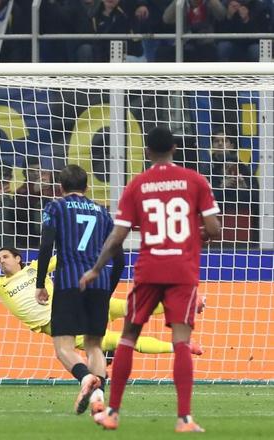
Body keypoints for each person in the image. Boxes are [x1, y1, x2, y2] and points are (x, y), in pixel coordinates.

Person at [80, 126, 221, 433]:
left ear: (147, 152)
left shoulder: (138, 185)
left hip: (149, 269)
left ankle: (113, 413)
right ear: (174, 148)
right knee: (181, 341)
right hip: (182, 270)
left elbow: (117, 237)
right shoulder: (196, 180)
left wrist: (96, 268)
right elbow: (214, 229)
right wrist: (192, 237)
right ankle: (184, 419)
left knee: (128, 336)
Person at [0, 226, 204, 356]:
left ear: (18, 258)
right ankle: (179, 347)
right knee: (121, 341)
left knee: (131, 307)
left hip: (76, 306)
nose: (1, 261)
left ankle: (188, 304)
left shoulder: (35, 269)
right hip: (65, 327)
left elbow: (64, 256)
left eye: (5, 257)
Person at [34, 164, 123, 416]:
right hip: (99, 284)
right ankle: (98, 398)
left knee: (64, 346)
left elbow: (46, 245)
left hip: (69, 282)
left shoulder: (55, 207)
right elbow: (119, 259)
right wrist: (107, 290)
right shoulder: (103, 213)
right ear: (87, 186)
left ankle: (85, 378)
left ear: (61, 187)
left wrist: (40, 283)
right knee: (94, 346)